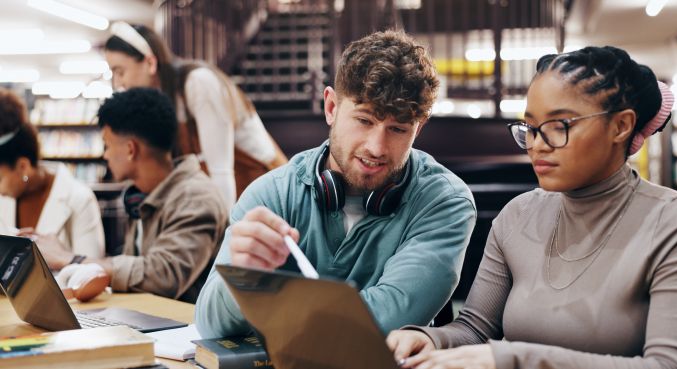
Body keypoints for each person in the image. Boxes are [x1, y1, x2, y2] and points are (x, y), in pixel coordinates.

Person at [387, 46, 677, 369]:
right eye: (530, 128)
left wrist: (516, 358)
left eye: (558, 126)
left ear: (620, 126)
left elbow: (673, 365)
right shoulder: (518, 216)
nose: (536, 144)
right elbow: (475, 328)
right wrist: (428, 338)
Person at [194, 30, 477, 338]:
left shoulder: (444, 201)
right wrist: (241, 280)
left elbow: (389, 318)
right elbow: (210, 324)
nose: (377, 147)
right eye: (364, 120)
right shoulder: (272, 192)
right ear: (331, 107)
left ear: (418, 129)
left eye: (397, 129)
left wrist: (266, 303)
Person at [39, 88, 229, 303]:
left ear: (131, 150)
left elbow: (164, 276)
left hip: (184, 331)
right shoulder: (141, 195)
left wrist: (69, 259)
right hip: (152, 320)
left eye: (107, 145)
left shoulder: (196, 197)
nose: (105, 155)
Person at [104, 22, 287, 208]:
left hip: (267, 190)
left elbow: (221, 171)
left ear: (150, 63)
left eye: (120, 72)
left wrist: (225, 233)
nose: (118, 83)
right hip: (234, 200)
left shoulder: (198, 83)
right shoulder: (162, 102)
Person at [0, 88, 104, 267]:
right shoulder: (6, 199)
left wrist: (61, 258)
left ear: (23, 167)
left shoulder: (80, 199)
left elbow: (93, 276)